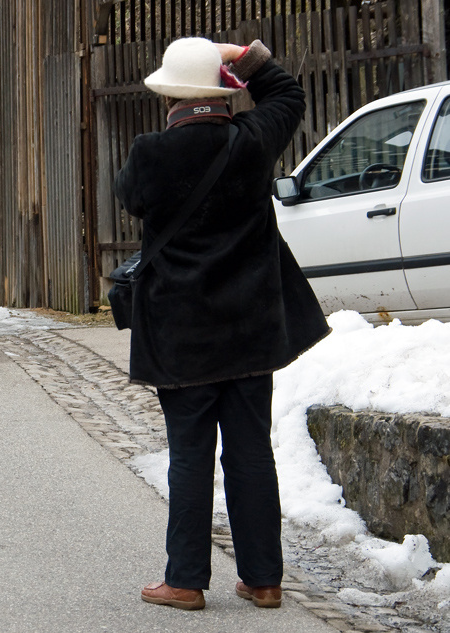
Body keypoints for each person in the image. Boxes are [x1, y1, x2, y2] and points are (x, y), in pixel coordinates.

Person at [113, 38, 330, 610]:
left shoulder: (149, 154)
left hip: (181, 338)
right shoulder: (254, 141)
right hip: (251, 332)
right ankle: (263, 579)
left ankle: (185, 581)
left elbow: (130, 199)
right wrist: (244, 53)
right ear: (221, 93)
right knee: (250, 451)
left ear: (173, 98)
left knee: (189, 455)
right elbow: (287, 91)